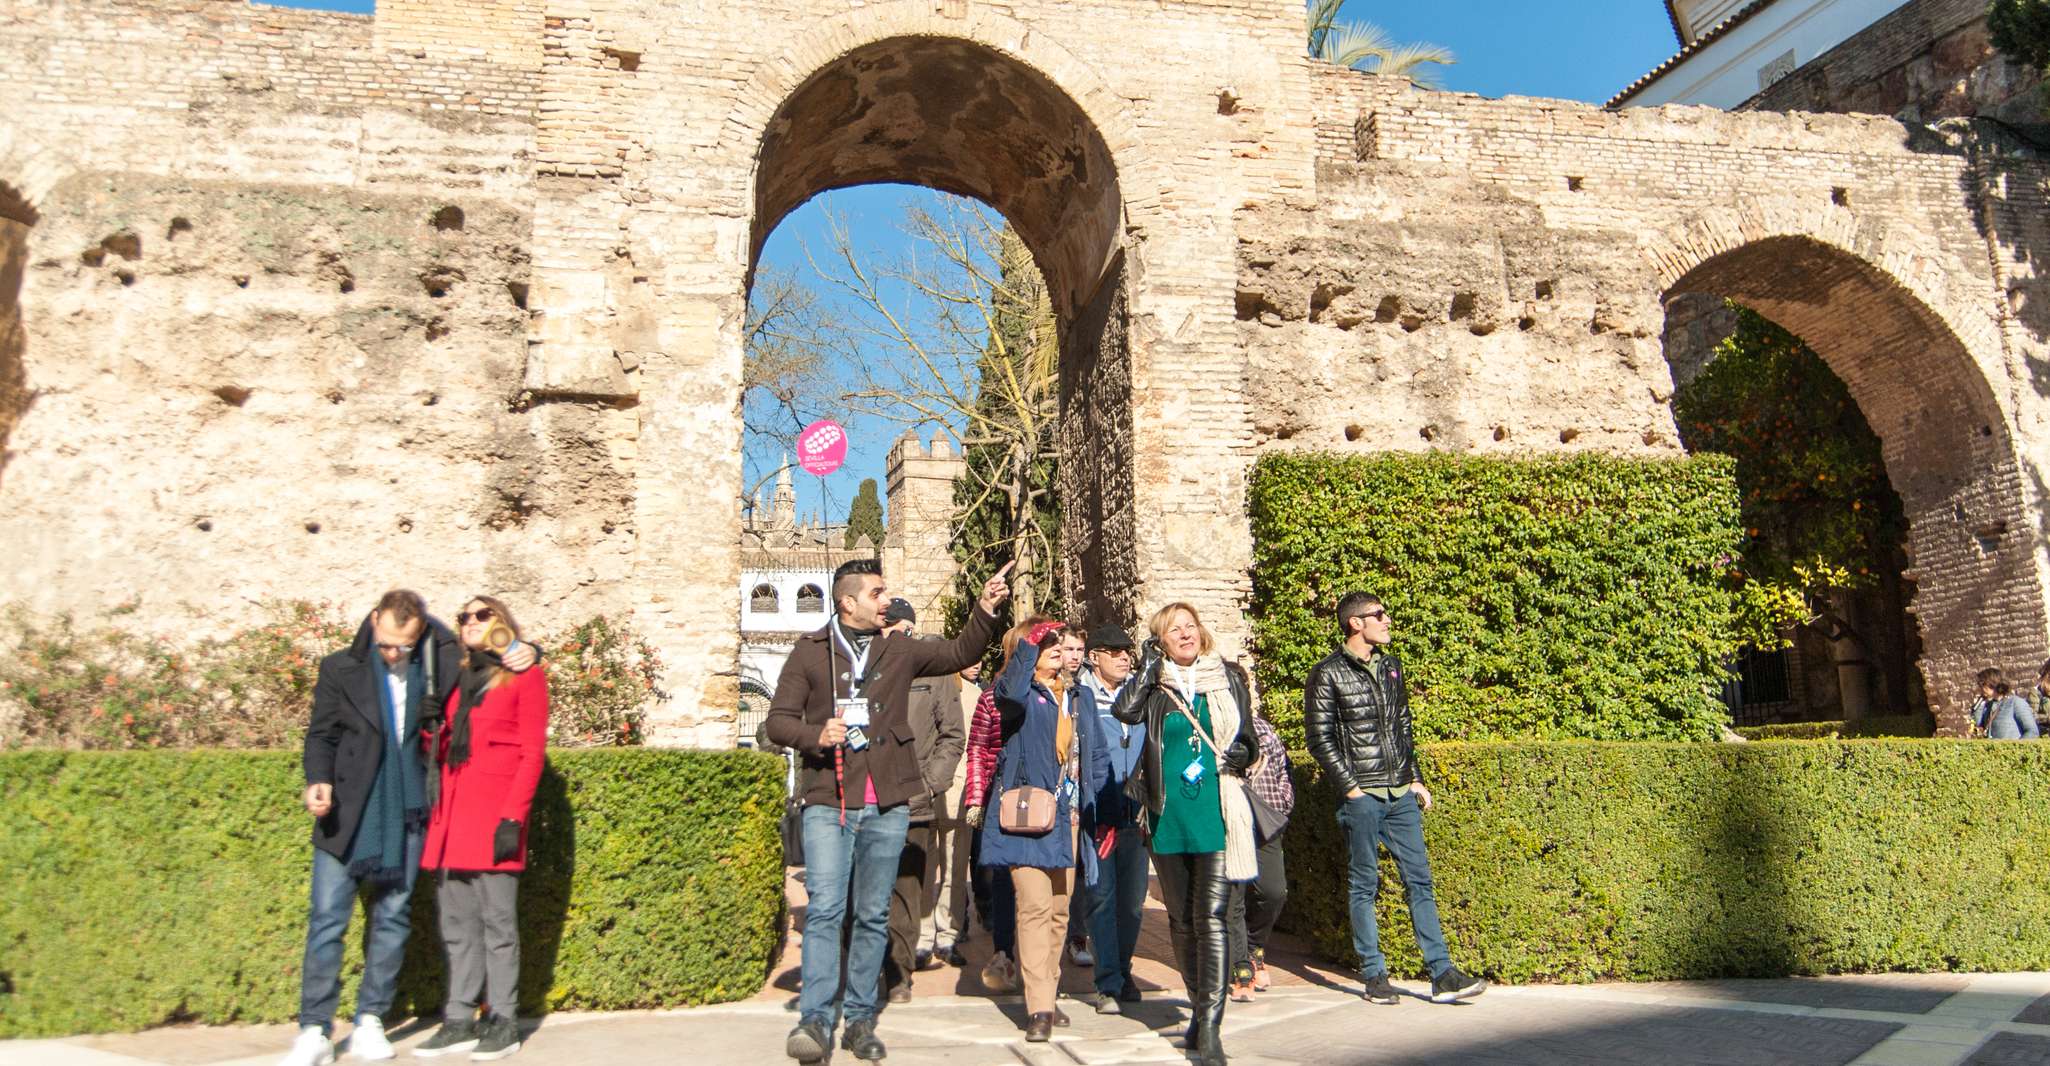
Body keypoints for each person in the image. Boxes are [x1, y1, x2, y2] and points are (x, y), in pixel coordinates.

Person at [764, 559, 1011, 1064]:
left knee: (874, 913)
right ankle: (814, 1018)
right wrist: (816, 735)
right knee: (828, 910)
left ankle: (858, 1019)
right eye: (877, 593)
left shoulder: (897, 649)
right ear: (848, 601)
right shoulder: (810, 653)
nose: (886, 601)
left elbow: (959, 652)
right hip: (829, 802)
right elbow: (777, 722)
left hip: (888, 803)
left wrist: (986, 607)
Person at [282, 590, 535, 1066]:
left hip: (409, 812)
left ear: (420, 633)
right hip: (347, 812)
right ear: (374, 621)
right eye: (387, 643)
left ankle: (371, 1020)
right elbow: (322, 733)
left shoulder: (437, 659)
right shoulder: (340, 667)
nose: (395, 653)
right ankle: (315, 1029)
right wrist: (317, 779)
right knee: (326, 922)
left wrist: (525, 648)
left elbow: (492, 642)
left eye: (405, 643)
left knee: (393, 919)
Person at [1304, 592, 1487, 1007]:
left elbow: (1402, 727)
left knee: (1419, 880)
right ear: (1355, 623)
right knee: (1364, 884)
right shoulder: (1327, 673)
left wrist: (1415, 778)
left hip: (1400, 793)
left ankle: (1442, 974)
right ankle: (1375, 976)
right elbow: (1319, 738)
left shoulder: (1391, 667)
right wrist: (1352, 788)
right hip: (1363, 795)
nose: (1387, 621)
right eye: (1379, 615)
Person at [1109, 603, 1261, 1066]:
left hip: (1215, 812)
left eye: (1190, 626)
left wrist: (1242, 753)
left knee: (1212, 916)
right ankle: (1198, 1007)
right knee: (1181, 919)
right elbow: (1124, 709)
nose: (1185, 634)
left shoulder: (1228, 676)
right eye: (1174, 630)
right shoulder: (1154, 687)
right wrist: (1150, 665)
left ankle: (1211, 1026)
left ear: (1202, 632)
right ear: (1161, 639)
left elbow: (1249, 736)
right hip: (1167, 813)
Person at [412, 596, 549, 1060]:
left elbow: (531, 753)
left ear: (501, 622)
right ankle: (457, 1018)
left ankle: (504, 1020)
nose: (470, 622)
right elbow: (447, 750)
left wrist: (514, 817)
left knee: (498, 925)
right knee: (456, 926)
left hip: (494, 818)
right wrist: (430, 729)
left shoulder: (523, 675)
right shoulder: (457, 680)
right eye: (465, 617)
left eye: (481, 614)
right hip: (451, 820)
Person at [979, 617, 1110, 1042]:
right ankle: (1038, 1008)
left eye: (1058, 642)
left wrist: (1102, 813)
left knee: (1058, 911)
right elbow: (1009, 693)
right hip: (1028, 818)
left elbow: (1097, 757)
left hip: (1069, 818)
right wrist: (1029, 648)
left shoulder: (1079, 696)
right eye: (1047, 642)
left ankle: (1047, 995)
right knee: (1034, 907)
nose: (1056, 647)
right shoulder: (1017, 694)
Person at [883, 598, 966, 1002]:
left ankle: (900, 973)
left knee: (908, 889)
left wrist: (929, 785)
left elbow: (952, 735)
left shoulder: (933, 675)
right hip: (867, 798)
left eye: (897, 627)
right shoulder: (863, 669)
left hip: (915, 799)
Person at [1076, 623, 1148, 1013]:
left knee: (1133, 902)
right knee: (1101, 899)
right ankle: (1107, 983)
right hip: (1099, 815)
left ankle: (1123, 968)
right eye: (1115, 651)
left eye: (1127, 651)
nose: (1124, 657)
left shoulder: (1142, 693)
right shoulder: (1081, 697)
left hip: (1137, 816)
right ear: (1095, 657)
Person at [1227, 703, 1292, 1000]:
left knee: (1273, 891)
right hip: (1231, 823)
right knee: (1234, 897)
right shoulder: (1218, 729)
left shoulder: (1264, 728)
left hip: (1267, 823)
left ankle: (1254, 946)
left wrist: (1282, 803)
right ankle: (1241, 968)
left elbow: (1282, 770)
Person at [923, 660, 984, 968]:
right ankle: (921, 937)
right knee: (923, 868)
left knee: (956, 870)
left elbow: (979, 746)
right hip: (922, 794)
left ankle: (948, 934)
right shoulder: (918, 689)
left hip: (960, 793)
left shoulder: (975, 695)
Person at [963, 670, 1019, 992]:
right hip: (996, 797)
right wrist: (976, 798)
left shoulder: (1058, 697)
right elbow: (977, 748)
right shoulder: (991, 698)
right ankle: (1003, 949)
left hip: (1040, 800)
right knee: (997, 874)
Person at [1970, 667, 2040, 739]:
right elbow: (1978, 724)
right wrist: (1980, 704)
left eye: (1983, 685)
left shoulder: (2015, 702)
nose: (1981, 689)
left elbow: (2032, 731)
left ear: (1992, 684)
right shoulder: (1988, 706)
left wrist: (2017, 747)